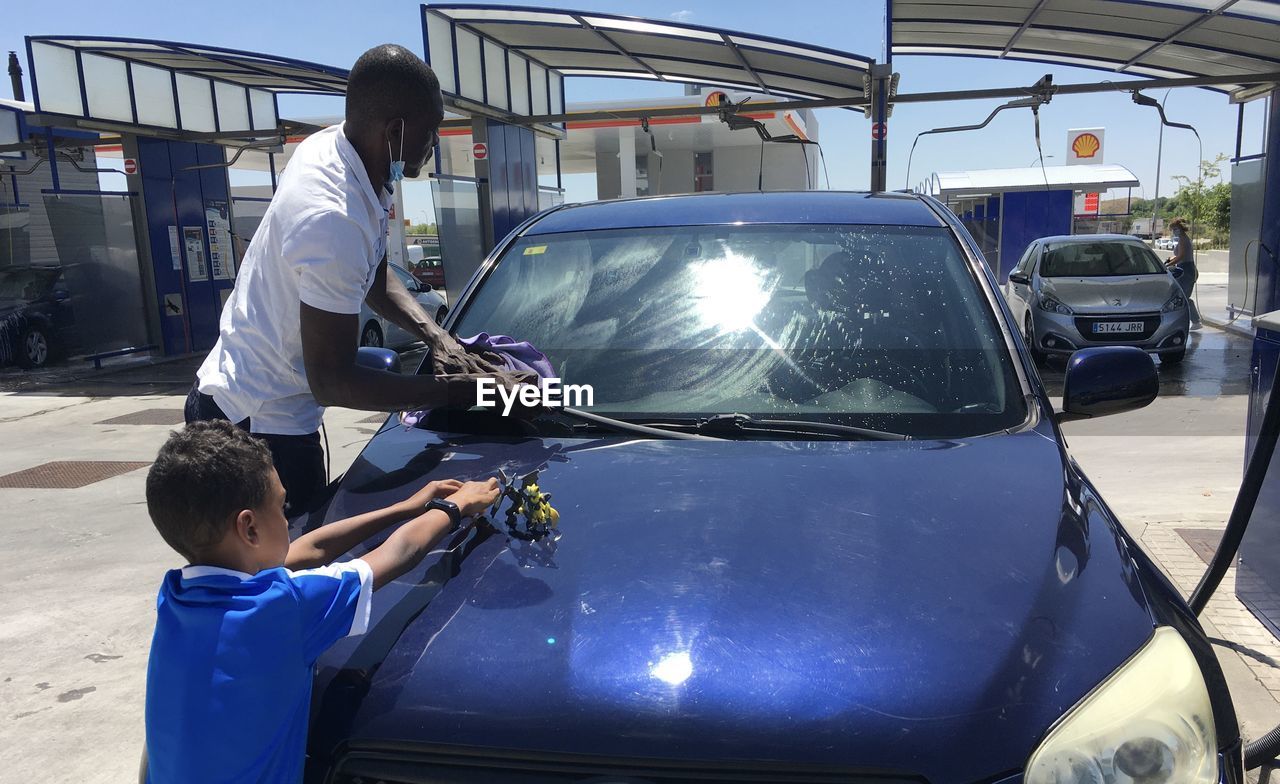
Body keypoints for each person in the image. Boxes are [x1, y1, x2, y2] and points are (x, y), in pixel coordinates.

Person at [186, 44, 527, 515]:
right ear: (394, 131)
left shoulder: (350, 155)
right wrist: (464, 392)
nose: (433, 146)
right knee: (277, 580)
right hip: (254, 433)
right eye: (430, 133)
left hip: (276, 420)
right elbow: (333, 381)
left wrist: (436, 335)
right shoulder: (332, 214)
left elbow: (370, 269)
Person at [141, 420, 500, 784]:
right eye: (282, 507)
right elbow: (400, 553)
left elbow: (309, 549)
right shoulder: (285, 608)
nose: (287, 518)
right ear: (249, 528)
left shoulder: (173, 599)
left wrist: (405, 508)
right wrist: (457, 505)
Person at [1166, 217, 1201, 329]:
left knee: (1184, 297)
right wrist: (1171, 259)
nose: (1173, 231)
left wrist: (1167, 265)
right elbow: (1180, 255)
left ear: (1179, 229)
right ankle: (1194, 320)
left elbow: (1181, 256)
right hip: (1185, 268)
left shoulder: (1183, 239)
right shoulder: (1184, 239)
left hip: (1186, 270)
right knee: (1182, 296)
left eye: (1174, 229)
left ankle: (1196, 321)